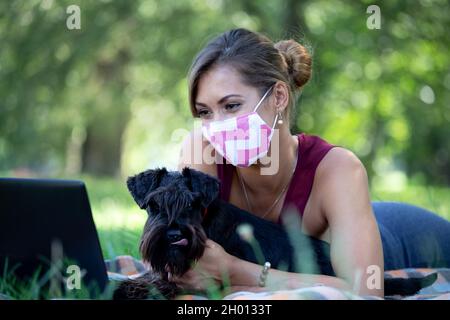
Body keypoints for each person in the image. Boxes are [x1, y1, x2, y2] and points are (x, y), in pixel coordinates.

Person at [176, 28, 450, 297]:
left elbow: (365, 292)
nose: (217, 126)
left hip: (407, 236)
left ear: (279, 97)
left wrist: (235, 271)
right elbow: (178, 259)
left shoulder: (339, 169)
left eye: (232, 106)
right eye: (204, 112)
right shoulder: (202, 153)